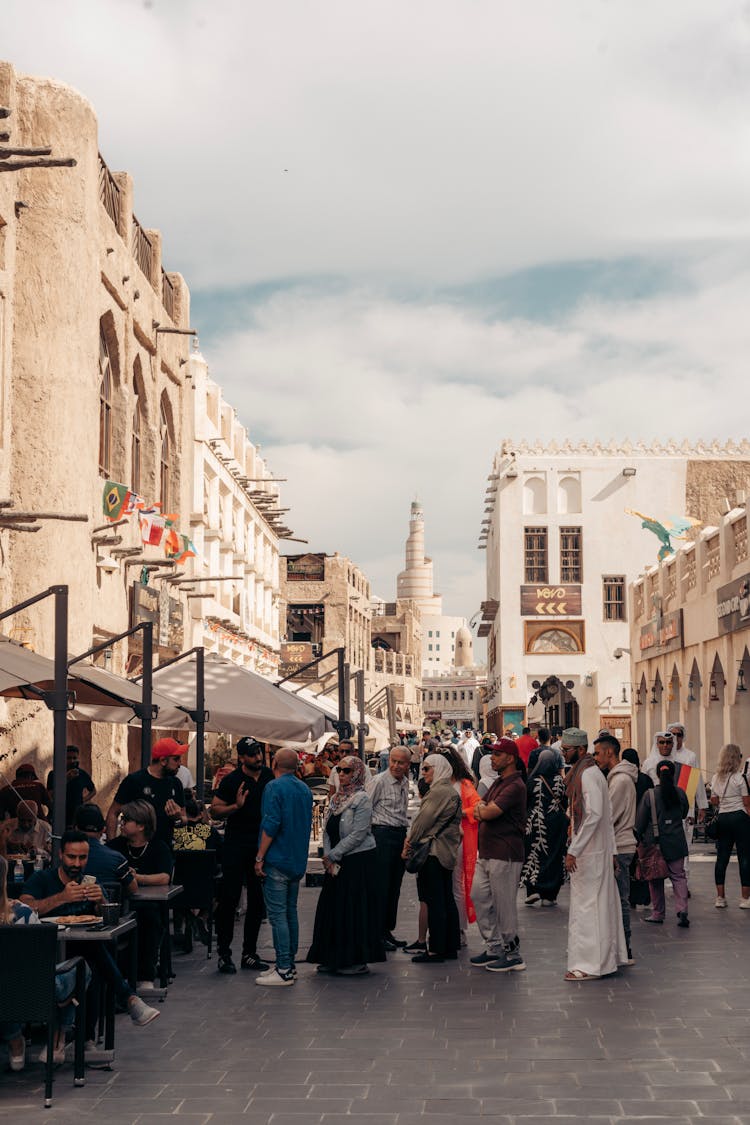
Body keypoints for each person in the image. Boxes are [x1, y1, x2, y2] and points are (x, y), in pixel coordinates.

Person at [20, 830, 160, 1034]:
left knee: (91, 956)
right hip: (45, 950)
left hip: (80, 950)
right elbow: (24, 906)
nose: (76, 864)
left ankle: (87, 1037)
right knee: (93, 954)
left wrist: (100, 902)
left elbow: (108, 921)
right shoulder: (43, 879)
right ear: (60, 855)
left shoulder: (90, 882)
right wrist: (61, 898)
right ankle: (127, 1000)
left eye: (82, 858)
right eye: (71, 857)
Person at [0, 854, 94, 1069]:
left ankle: (15, 1041)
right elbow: (39, 962)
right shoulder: (22, 914)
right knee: (82, 968)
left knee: (7, 979)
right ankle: (58, 1037)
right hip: (33, 992)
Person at [307, 755, 384, 976]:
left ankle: (355, 959)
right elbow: (328, 828)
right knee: (334, 910)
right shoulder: (336, 799)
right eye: (339, 770)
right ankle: (332, 957)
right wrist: (329, 853)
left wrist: (334, 854)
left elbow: (359, 833)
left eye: (347, 771)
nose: (341, 774)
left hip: (357, 861)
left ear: (357, 773)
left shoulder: (362, 799)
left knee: (353, 911)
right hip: (337, 861)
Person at [562, 728, 628, 981]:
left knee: (589, 909)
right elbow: (606, 816)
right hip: (596, 851)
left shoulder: (588, 775)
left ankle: (590, 965)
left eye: (567, 750)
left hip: (588, 853)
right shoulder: (590, 773)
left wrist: (573, 850)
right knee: (599, 906)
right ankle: (607, 958)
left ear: (580, 750)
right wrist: (611, 851)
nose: (564, 754)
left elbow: (596, 815)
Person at [211, 736, 274, 975]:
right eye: (251, 754)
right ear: (242, 757)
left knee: (258, 901)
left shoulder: (269, 776)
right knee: (229, 899)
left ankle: (249, 953)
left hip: (260, 847)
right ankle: (224, 955)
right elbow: (215, 811)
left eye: (258, 752)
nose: (257, 757)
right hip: (236, 845)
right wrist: (235, 807)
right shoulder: (232, 780)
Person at [254, 748, 313, 986]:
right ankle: (288, 965)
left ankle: (284, 968)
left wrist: (259, 857)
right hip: (297, 859)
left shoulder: (273, 787)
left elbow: (271, 823)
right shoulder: (304, 788)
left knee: (278, 915)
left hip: (277, 858)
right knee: (290, 912)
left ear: (274, 763)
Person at [470, 739, 527, 972]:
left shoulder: (515, 786)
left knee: (504, 905)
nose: (492, 758)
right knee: (480, 896)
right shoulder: (499, 782)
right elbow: (479, 807)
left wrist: (483, 811)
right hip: (487, 852)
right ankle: (494, 946)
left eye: (497, 754)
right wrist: (483, 811)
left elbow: (490, 811)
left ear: (510, 758)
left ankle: (513, 953)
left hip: (505, 853)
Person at [108, 800, 174, 988]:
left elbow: (164, 877)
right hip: (121, 903)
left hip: (148, 905)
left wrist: (138, 878)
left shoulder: (158, 848)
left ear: (141, 825)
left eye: (126, 820)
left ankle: (145, 976)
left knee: (150, 918)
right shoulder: (115, 847)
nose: (121, 823)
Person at [403, 754, 462, 964]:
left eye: (427, 768)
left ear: (438, 768)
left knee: (435, 900)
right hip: (446, 852)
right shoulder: (450, 791)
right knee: (445, 899)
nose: (423, 772)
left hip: (434, 852)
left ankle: (436, 949)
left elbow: (421, 822)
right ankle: (449, 945)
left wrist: (409, 843)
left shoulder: (438, 792)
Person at [593, 733, 637, 964]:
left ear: (610, 752)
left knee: (621, 899)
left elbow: (610, 814)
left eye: (598, 753)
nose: (596, 758)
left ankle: (625, 948)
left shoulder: (620, 780)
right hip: (618, 844)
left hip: (620, 844)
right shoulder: (615, 777)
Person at [635, 759, 690, 927]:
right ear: (673, 775)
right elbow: (684, 813)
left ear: (657, 775)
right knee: (679, 876)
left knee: (655, 879)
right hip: (676, 841)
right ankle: (682, 910)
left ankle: (658, 913)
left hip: (655, 844)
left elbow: (640, 822)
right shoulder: (680, 793)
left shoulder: (650, 795)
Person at [105, 738, 187, 848]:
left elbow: (184, 819)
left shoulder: (176, 784)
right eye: (176, 759)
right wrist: (112, 845)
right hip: (133, 850)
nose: (180, 764)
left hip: (163, 851)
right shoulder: (134, 781)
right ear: (163, 760)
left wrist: (177, 818)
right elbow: (113, 813)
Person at [367, 746, 411, 950]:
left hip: (398, 835)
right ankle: (375, 933)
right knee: (381, 886)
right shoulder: (379, 781)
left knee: (394, 886)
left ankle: (386, 930)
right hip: (382, 835)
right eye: (393, 761)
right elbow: (365, 810)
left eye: (400, 762)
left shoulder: (404, 782)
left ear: (407, 764)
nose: (395, 765)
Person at [442, 747, 481, 946]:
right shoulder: (437, 784)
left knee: (456, 885)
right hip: (440, 841)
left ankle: (459, 928)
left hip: (458, 840)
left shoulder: (463, 784)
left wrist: (458, 813)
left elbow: (477, 807)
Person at [522, 749, 567, 907]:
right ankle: (550, 895)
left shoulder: (532, 780)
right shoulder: (561, 781)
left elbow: (525, 803)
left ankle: (533, 889)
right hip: (556, 825)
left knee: (534, 853)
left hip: (535, 823)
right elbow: (565, 802)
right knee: (554, 855)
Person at [709, 743, 750, 908]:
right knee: (745, 858)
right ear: (736, 758)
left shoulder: (715, 778)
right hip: (740, 818)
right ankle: (745, 899)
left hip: (724, 819)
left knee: (722, 858)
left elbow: (714, 801)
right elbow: (747, 804)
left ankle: (720, 898)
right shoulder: (740, 778)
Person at [74, 802, 136, 896]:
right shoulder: (117, 859)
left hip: (72, 909)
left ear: (76, 829)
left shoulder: (63, 858)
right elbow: (133, 889)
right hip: (106, 909)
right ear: (103, 829)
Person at [621, 748, 653, 908]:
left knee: (629, 863)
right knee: (644, 861)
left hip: (627, 825)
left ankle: (630, 897)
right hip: (644, 825)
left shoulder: (622, 779)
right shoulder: (646, 779)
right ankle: (645, 896)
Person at [46, 745, 96, 828]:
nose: (72, 761)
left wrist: (83, 800)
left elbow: (93, 790)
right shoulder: (54, 774)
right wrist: (66, 778)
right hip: (59, 815)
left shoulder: (82, 774)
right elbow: (50, 795)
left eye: (74, 758)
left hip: (76, 816)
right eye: (68, 758)